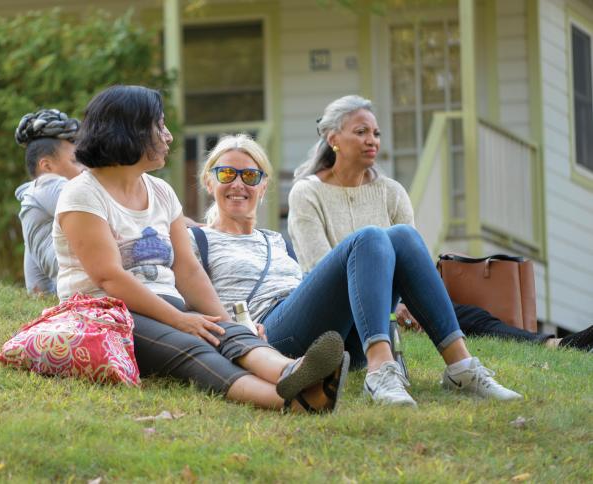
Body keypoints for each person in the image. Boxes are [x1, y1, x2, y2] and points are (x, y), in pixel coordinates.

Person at [51, 85, 349, 413]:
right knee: (192, 345)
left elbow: (188, 270)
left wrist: (224, 320)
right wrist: (180, 320)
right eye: (159, 127)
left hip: (164, 305)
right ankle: (291, 401)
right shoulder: (82, 194)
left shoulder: (161, 192)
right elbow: (109, 278)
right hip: (105, 312)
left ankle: (292, 372)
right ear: (132, 131)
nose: (168, 137)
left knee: (226, 332)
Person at [191, 133, 521, 407]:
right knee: (369, 237)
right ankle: (381, 370)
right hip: (269, 339)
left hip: (331, 339)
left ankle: (461, 367)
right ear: (209, 182)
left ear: (263, 186)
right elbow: (186, 304)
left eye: (250, 176)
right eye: (226, 174)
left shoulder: (275, 241)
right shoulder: (196, 239)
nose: (238, 184)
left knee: (402, 235)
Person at [288, 94, 593, 353]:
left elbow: (412, 257)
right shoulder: (307, 193)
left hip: (398, 302)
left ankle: (558, 345)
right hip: (340, 308)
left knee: (470, 317)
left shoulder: (391, 192)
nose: (372, 141)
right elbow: (318, 267)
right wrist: (391, 306)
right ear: (333, 139)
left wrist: (405, 301)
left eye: (376, 133)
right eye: (361, 132)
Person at [15, 108, 84, 295]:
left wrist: (41, 294)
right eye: (76, 161)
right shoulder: (49, 184)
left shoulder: (32, 199)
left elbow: (36, 282)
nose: (84, 169)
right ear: (47, 166)